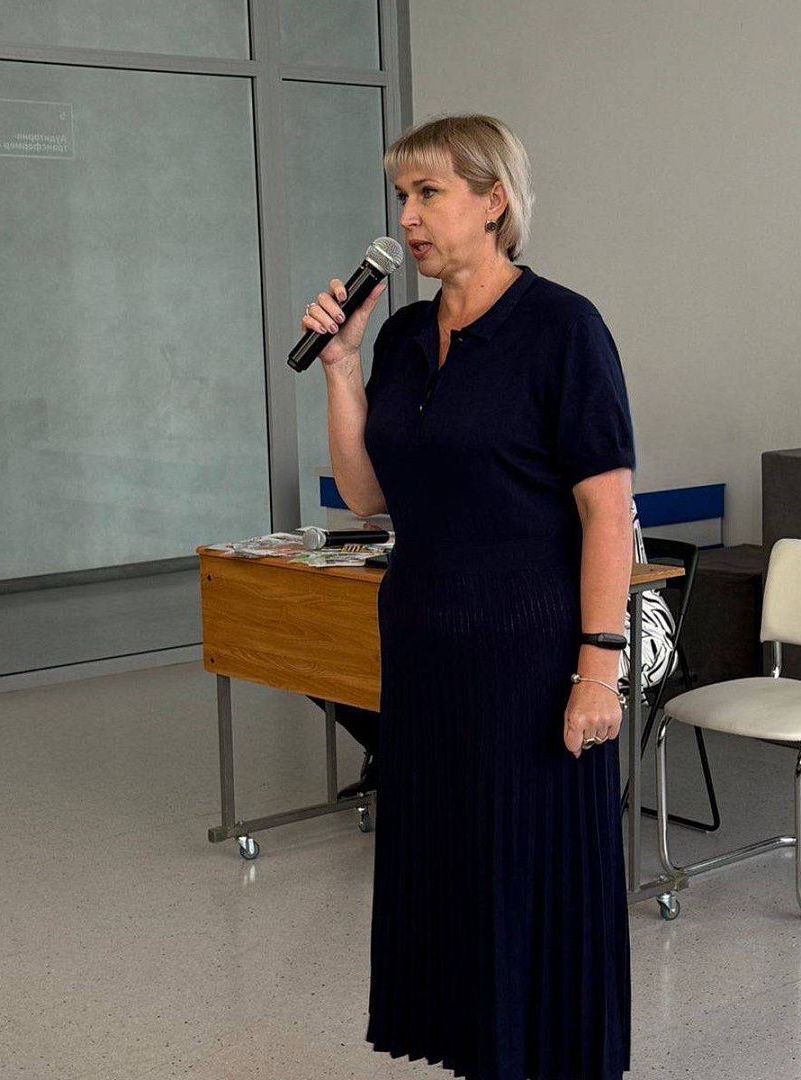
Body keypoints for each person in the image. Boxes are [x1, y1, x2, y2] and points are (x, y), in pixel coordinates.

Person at [302, 114, 635, 1080]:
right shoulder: (406, 334)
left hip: (528, 653)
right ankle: (477, 1056)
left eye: (428, 194)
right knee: (450, 878)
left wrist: (598, 669)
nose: (406, 217)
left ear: (494, 203)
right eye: (401, 197)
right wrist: (341, 366)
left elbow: (607, 511)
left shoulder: (562, 327)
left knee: (527, 877)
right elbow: (368, 494)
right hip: (425, 648)